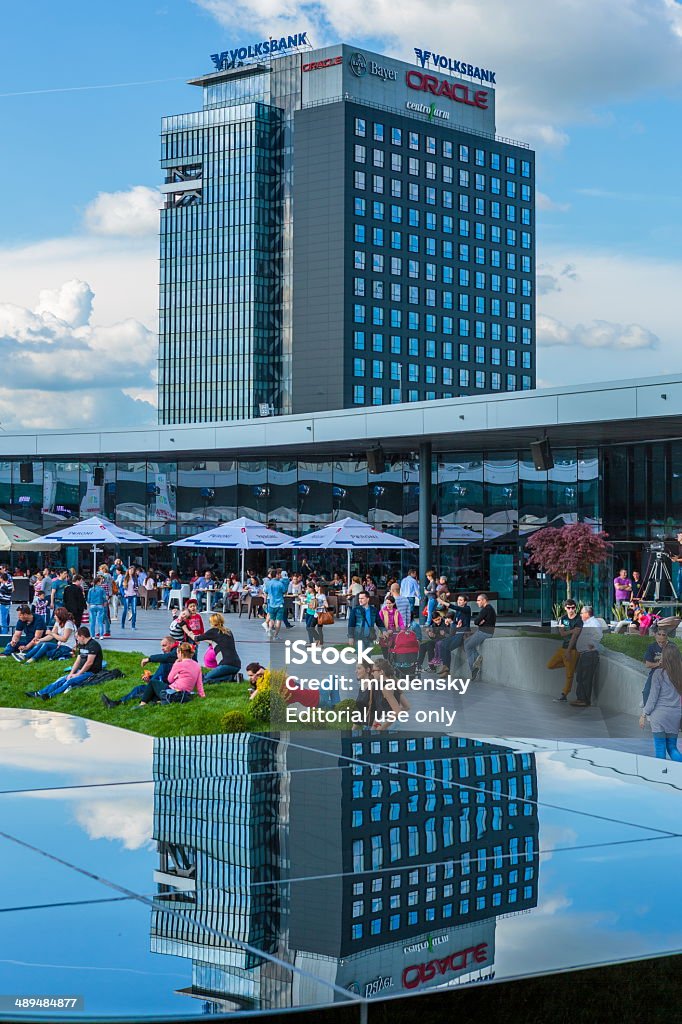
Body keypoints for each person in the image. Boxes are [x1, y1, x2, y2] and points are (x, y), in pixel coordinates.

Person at [26, 627, 103, 700]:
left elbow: (89, 663)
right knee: (61, 680)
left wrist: (78, 674)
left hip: (91, 672)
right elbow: (78, 660)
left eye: (77, 637)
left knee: (70, 681)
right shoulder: (81, 644)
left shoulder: (93, 645)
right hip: (80, 670)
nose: (77, 639)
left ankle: (50, 695)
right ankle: (39, 693)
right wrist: (71, 673)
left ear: (82, 636)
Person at [101, 636, 179, 707]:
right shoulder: (170, 656)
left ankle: (119, 703)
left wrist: (149, 659)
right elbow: (163, 674)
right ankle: (119, 702)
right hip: (162, 686)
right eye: (161, 646)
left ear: (172, 644)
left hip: (167, 689)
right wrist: (150, 679)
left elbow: (167, 658)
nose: (162, 648)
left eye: (164, 645)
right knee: (139, 689)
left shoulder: (175, 653)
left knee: (140, 690)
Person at [640, 643, 682, 761]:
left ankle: (661, 775)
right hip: (675, 715)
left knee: (660, 749)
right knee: (672, 748)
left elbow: (653, 698)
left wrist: (644, 714)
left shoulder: (659, 674)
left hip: (659, 715)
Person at [548, 599, 583, 702]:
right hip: (563, 648)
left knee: (569, 675)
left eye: (573, 607)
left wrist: (568, 650)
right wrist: (572, 630)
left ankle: (564, 695)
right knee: (550, 665)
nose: (571, 610)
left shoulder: (578, 620)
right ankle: (571, 665)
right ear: (565, 608)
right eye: (569, 608)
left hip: (572, 649)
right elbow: (562, 633)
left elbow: (575, 637)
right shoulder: (563, 618)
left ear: (575, 608)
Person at [570, 605, 603, 707]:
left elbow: (598, 635)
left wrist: (591, 644)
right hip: (584, 654)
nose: (580, 615)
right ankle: (580, 698)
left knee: (585, 677)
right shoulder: (587, 623)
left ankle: (584, 699)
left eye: (582, 613)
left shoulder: (593, 622)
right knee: (580, 676)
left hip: (589, 654)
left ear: (587, 614)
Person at [197, 613, 242, 682]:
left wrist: (186, 630)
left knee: (205, 678)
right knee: (208, 677)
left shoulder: (213, 631)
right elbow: (215, 640)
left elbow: (196, 638)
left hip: (226, 664)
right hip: (237, 664)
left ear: (212, 622)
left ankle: (231, 678)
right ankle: (233, 677)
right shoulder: (228, 631)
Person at [436, 595, 472, 674]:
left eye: (461, 600)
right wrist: (450, 623)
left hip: (463, 634)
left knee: (447, 646)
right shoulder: (458, 612)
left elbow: (457, 607)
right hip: (457, 633)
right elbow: (455, 624)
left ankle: (446, 668)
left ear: (465, 602)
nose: (459, 601)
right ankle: (445, 666)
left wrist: (443, 603)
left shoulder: (467, 609)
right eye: (458, 600)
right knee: (443, 643)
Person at [464, 594, 497, 679]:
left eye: (478, 600)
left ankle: (474, 668)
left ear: (484, 600)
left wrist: (479, 621)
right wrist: (480, 621)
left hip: (484, 633)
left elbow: (476, 622)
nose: (477, 602)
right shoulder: (490, 609)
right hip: (483, 631)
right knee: (466, 642)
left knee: (468, 646)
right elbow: (478, 621)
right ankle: (477, 657)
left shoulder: (486, 610)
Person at [642, 629, 671, 706]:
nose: (661, 643)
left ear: (667, 637)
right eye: (659, 634)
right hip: (655, 673)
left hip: (670, 673)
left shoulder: (672, 647)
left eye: (663, 635)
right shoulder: (652, 647)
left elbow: (678, 662)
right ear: (655, 636)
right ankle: (646, 711)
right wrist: (659, 664)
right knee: (646, 692)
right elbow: (647, 664)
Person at [264, 570, 288, 641]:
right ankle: (275, 635)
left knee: (272, 619)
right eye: (279, 574)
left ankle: (270, 631)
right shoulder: (280, 584)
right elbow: (284, 591)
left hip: (271, 603)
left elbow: (266, 591)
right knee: (278, 620)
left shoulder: (268, 583)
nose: (280, 576)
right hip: (279, 603)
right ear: (276, 575)